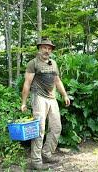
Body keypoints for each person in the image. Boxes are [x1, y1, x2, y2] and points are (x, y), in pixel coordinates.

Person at [21, 37, 70, 170]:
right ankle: (36, 161)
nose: (46, 50)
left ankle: (47, 154)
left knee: (56, 127)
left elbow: (57, 81)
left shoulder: (53, 63)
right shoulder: (33, 63)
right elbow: (27, 83)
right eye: (44, 47)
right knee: (40, 128)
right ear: (39, 48)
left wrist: (64, 95)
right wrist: (24, 102)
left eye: (49, 48)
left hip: (52, 98)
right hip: (38, 98)